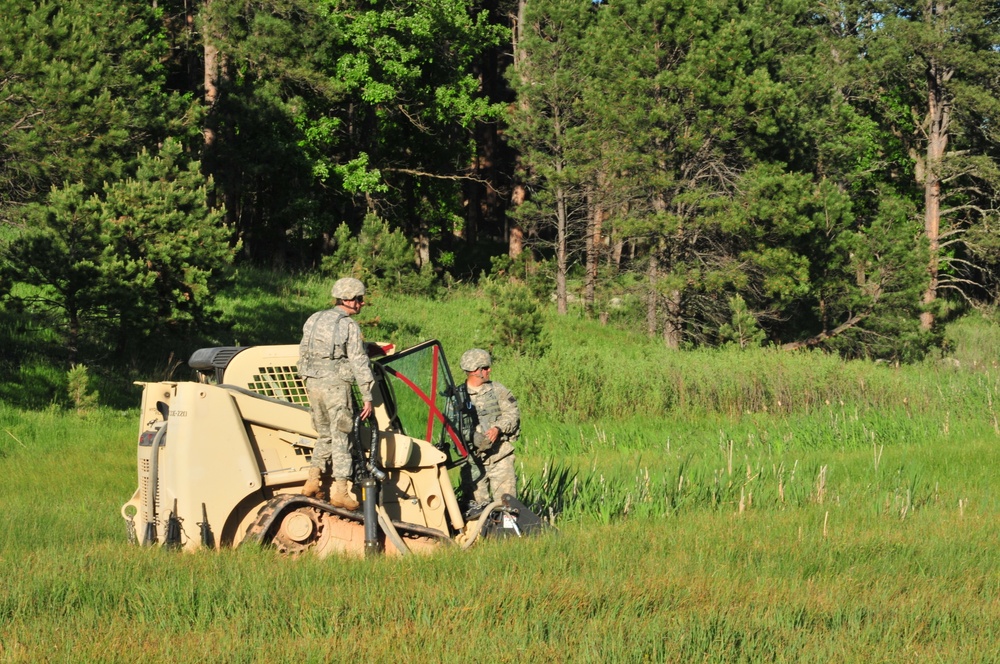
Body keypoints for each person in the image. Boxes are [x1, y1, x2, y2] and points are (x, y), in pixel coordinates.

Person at [298, 277, 374, 510]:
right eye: (360, 300)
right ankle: (341, 490)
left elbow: (302, 352)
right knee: (343, 434)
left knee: (324, 433)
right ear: (349, 300)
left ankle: (313, 479)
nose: (362, 304)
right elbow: (359, 361)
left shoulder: (314, 319)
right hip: (336, 386)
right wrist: (367, 395)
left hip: (313, 384)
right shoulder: (348, 325)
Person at [458, 348, 520, 517]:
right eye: (485, 368)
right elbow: (451, 426)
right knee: (476, 508)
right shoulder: (458, 396)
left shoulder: (497, 390)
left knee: (508, 505)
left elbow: (513, 414)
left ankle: (509, 538)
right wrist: (472, 437)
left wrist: (498, 428)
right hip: (473, 462)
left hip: (500, 457)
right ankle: (481, 538)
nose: (488, 370)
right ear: (474, 370)